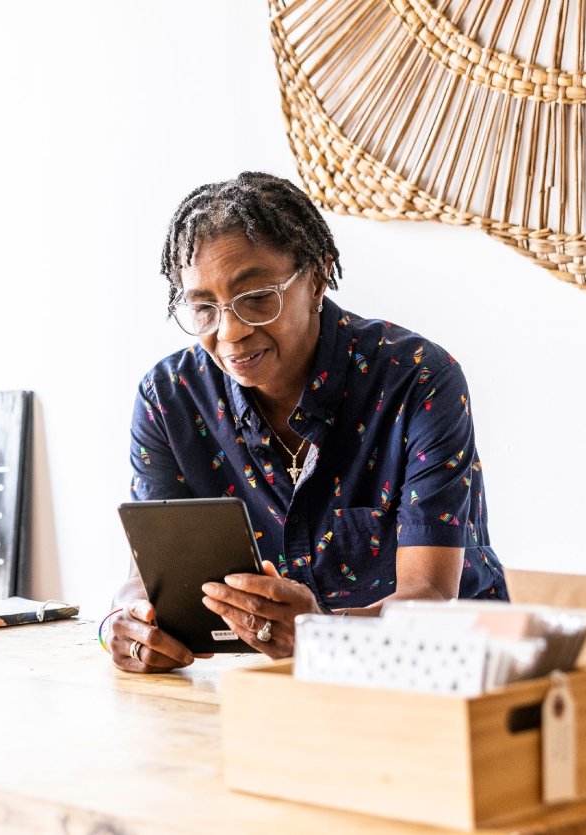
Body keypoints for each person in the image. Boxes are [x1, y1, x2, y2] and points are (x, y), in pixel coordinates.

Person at [106, 172, 508, 673]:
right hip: (272, 689)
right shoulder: (170, 399)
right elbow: (146, 580)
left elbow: (427, 596)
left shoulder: (418, 381)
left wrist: (321, 635)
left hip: (448, 676)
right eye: (204, 307)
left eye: (256, 298)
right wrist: (126, 627)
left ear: (316, 277)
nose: (229, 331)